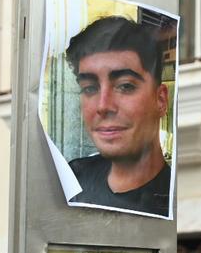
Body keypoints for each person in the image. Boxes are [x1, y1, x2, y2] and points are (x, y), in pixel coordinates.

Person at [65, 15, 171, 217]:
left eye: (125, 86)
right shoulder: (71, 180)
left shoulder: (174, 198)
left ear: (161, 100)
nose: (103, 106)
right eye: (89, 88)